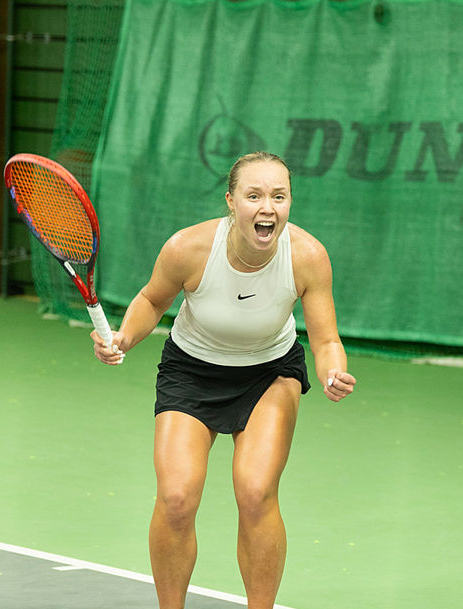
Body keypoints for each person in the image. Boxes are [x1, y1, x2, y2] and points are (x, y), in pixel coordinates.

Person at [91, 151, 356, 609]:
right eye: (254, 196)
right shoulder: (187, 249)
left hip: (269, 373)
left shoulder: (308, 256)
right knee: (175, 498)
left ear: (290, 201)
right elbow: (152, 301)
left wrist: (332, 370)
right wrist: (123, 337)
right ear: (231, 201)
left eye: (279, 195)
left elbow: (326, 338)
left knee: (255, 492)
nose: (267, 207)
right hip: (191, 371)